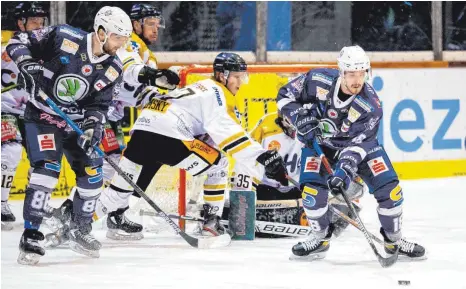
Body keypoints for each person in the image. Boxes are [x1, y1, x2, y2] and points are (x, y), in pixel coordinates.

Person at [91, 52, 288, 237]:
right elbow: (227, 134)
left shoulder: (199, 88)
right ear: (222, 75)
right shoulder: (218, 93)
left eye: (243, 77)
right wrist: (261, 156)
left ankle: (76, 222)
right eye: (237, 76)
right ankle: (212, 221)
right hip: (168, 133)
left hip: (143, 129)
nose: (240, 82)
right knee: (219, 165)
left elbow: (211, 138)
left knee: (118, 191)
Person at [6, 6, 131, 264]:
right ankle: (31, 235)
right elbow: (17, 41)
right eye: (118, 37)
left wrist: (91, 128)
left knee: (93, 175)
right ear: (101, 32)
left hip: (75, 124)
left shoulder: (114, 68)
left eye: (125, 39)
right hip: (43, 116)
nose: (121, 44)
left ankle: (80, 229)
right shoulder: (62, 36)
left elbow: (99, 105)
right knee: (46, 171)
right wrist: (27, 64)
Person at [44, 3, 180, 242]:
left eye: (158, 24)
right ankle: (73, 212)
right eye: (150, 23)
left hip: (111, 117)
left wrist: (164, 98)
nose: (156, 29)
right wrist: (150, 76)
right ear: (136, 24)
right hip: (96, 112)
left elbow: (135, 92)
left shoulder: (147, 52)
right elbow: (128, 69)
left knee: (118, 165)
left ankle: (109, 213)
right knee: (110, 166)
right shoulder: (127, 42)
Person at [276, 45, 425, 260]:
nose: (357, 80)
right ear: (341, 72)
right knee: (311, 193)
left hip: (361, 149)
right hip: (320, 145)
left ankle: (394, 241)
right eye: (351, 74)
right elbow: (285, 95)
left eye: (362, 73)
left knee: (391, 192)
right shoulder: (318, 79)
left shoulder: (371, 105)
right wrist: (300, 118)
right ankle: (319, 239)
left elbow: (358, 146)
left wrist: (344, 172)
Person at [1, 1, 48, 231]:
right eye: (34, 22)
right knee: (10, 152)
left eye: (41, 22)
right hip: (5, 108)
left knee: (42, 160)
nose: (39, 26)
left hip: (32, 110)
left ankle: (34, 205)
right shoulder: (6, 45)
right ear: (21, 23)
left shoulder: (46, 47)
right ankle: (1, 203)